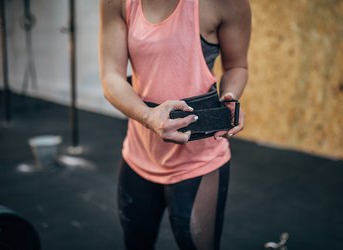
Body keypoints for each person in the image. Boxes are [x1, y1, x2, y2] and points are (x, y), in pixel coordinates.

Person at [99, 0, 251, 249]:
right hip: (139, 154)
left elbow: (237, 66)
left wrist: (230, 97)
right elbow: (111, 76)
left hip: (199, 161)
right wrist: (149, 117)